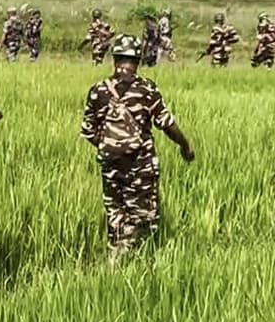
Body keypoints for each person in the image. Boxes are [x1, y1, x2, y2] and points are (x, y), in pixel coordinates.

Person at [80, 35, 194, 262]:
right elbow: (166, 124)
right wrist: (185, 145)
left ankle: (116, 255)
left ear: (115, 59)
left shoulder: (98, 91)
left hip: (110, 165)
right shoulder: (145, 89)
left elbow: (88, 130)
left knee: (115, 213)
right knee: (142, 218)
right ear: (137, 60)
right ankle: (126, 264)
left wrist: (111, 147)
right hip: (140, 167)